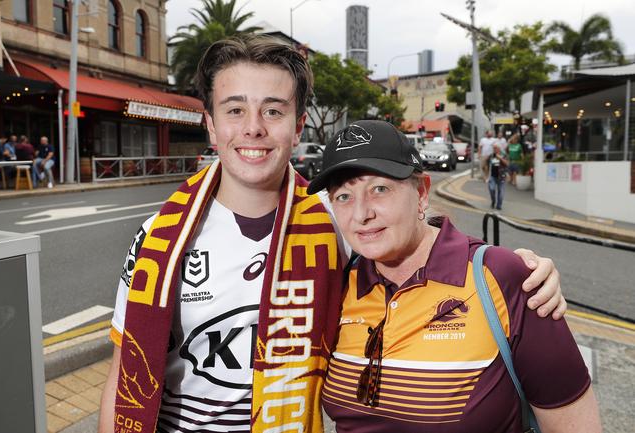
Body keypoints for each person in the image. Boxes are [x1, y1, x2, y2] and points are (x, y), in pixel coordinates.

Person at [99, 36, 567, 433]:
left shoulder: (337, 221)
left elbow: (420, 240)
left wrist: (521, 271)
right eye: (235, 109)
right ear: (211, 125)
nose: (253, 129)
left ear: (299, 124)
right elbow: (124, 372)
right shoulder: (159, 237)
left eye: (274, 111)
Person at [307, 120, 601, 433]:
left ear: (421, 193)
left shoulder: (504, 278)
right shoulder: (339, 283)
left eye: (380, 189)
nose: (361, 214)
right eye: (343, 197)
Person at [487, 143, 508, 210]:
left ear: (499, 149)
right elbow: (486, 164)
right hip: (493, 176)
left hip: (501, 177)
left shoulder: (504, 155)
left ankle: (499, 206)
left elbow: (507, 164)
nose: (494, 149)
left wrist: (500, 158)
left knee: (501, 193)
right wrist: (486, 176)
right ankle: (493, 201)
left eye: (495, 148)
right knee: (492, 189)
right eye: (494, 148)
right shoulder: (491, 156)